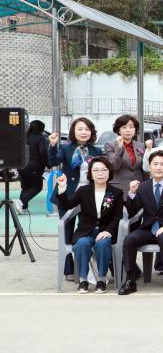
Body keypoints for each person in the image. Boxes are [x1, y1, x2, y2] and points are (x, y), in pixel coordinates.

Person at [119, 150, 163, 296]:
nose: (158, 167)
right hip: (148, 228)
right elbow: (132, 211)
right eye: (155, 164)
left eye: (162, 164)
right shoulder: (143, 187)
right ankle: (130, 280)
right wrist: (131, 193)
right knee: (130, 239)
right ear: (149, 167)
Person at [55, 157, 123, 294]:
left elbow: (117, 217)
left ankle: (101, 280)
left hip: (105, 232)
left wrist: (109, 231)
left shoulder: (117, 192)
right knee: (82, 244)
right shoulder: (83, 191)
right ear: (90, 173)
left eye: (104, 170)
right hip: (85, 231)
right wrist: (62, 188)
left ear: (109, 173)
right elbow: (67, 205)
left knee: (103, 244)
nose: (100, 173)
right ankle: (83, 280)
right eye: (96, 170)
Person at [48, 117, 103, 282]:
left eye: (87, 129)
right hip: (69, 195)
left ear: (91, 132)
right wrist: (52, 145)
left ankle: (88, 268)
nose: (84, 132)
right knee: (67, 231)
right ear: (73, 131)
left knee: (87, 231)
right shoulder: (65, 148)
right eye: (80, 129)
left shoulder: (96, 151)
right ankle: (68, 270)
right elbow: (53, 161)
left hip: (89, 196)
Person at [103, 114, 146, 199]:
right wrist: (119, 147)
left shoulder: (141, 146)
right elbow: (114, 166)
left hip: (138, 188)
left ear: (135, 129)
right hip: (119, 189)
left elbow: (145, 168)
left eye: (131, 127)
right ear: (118, 130)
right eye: (124, 127)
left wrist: (146, 185)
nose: (128, 130)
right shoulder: (110, 145)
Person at [18, 120, 48, 212]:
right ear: (41, 129)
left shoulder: (23, 137)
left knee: (25, 187)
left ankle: (23, 208)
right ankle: (20, 202)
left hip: (21, 165)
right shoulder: (40, 138)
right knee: (37, 187)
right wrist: (47, 163)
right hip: (34, 167)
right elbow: (43, 153)